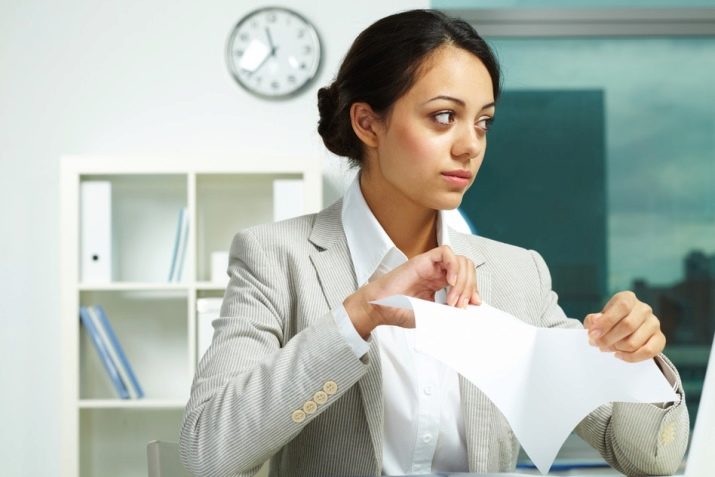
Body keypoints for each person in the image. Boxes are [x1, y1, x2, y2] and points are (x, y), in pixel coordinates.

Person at [180, 9, 688, 477]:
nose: (470, 145)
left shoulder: (518, 275)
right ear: (367, 123)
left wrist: (635, 359)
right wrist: (358, 317)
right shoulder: (276, 258)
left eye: (482, 122)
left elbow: (650, 459)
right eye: (444, 116)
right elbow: (208, 455)